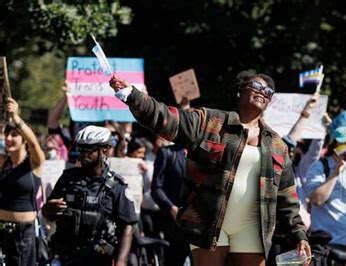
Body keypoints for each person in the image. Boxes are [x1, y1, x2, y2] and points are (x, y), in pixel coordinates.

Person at [109, 70, 311, 266]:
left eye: (268, 92)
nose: (262, 92)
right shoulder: (210, 122)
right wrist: (133, 96)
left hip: (252, 227)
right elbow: (168, 119)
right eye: (257, 86)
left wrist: (299, 235)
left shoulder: (277, 145)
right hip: (207, 222)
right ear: (240, 91)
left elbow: (287, 197)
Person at [41, 126, 137, 266]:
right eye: (81, 149)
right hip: (64, 258)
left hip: (97, 259)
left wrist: (121, 262)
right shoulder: (67, 178)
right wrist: (48, 209)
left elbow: (127, 228)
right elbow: (48, 214)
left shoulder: (116, 186)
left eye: (89, 149)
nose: (83, 154)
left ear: (104, 150)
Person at [304, 126, 346, 248]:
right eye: (344, 144)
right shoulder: (319, 167)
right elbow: (317, 199)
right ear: (334, 145)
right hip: (327, 244)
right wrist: (335, 173)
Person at [0, 97, 45, 265]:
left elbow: (34, 144)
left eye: (14, 135)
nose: (9, 139)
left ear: (23, 139)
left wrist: (16, 118)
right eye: (7, 135)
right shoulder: (3, 162)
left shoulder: (34, 163)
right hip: (2, 230)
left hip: (23, 235)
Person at [151, 141, 190, 266]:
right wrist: (171, 208)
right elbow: (156, 188)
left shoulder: (203, 154)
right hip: (174, 225)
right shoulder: (168, 152)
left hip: (197, 226)